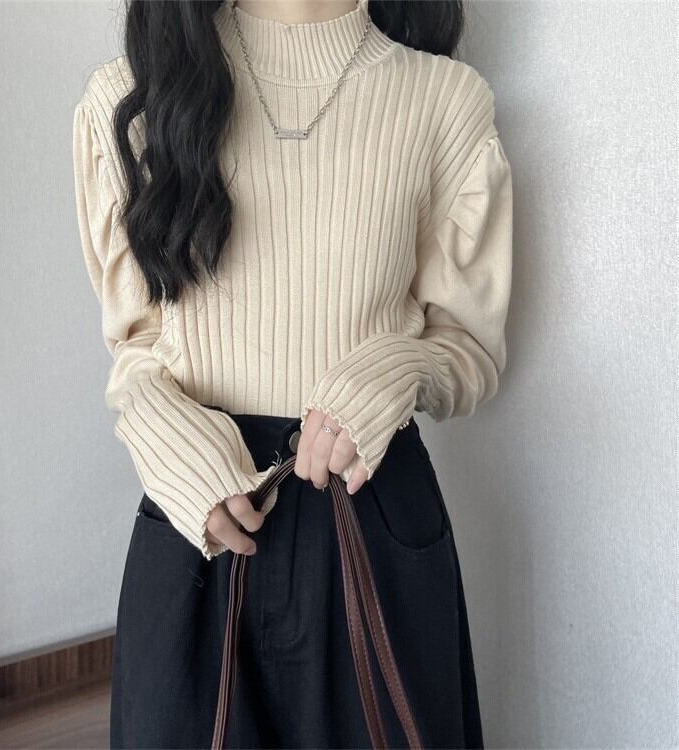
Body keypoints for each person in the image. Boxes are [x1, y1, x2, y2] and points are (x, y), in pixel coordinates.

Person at [72, 0, 513, 747]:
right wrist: (165, 438)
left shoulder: (444, 98)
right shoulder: (132, 95)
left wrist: (394, 367)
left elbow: (468, 345)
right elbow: (136, 343)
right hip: (197, 521)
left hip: (372, 508)